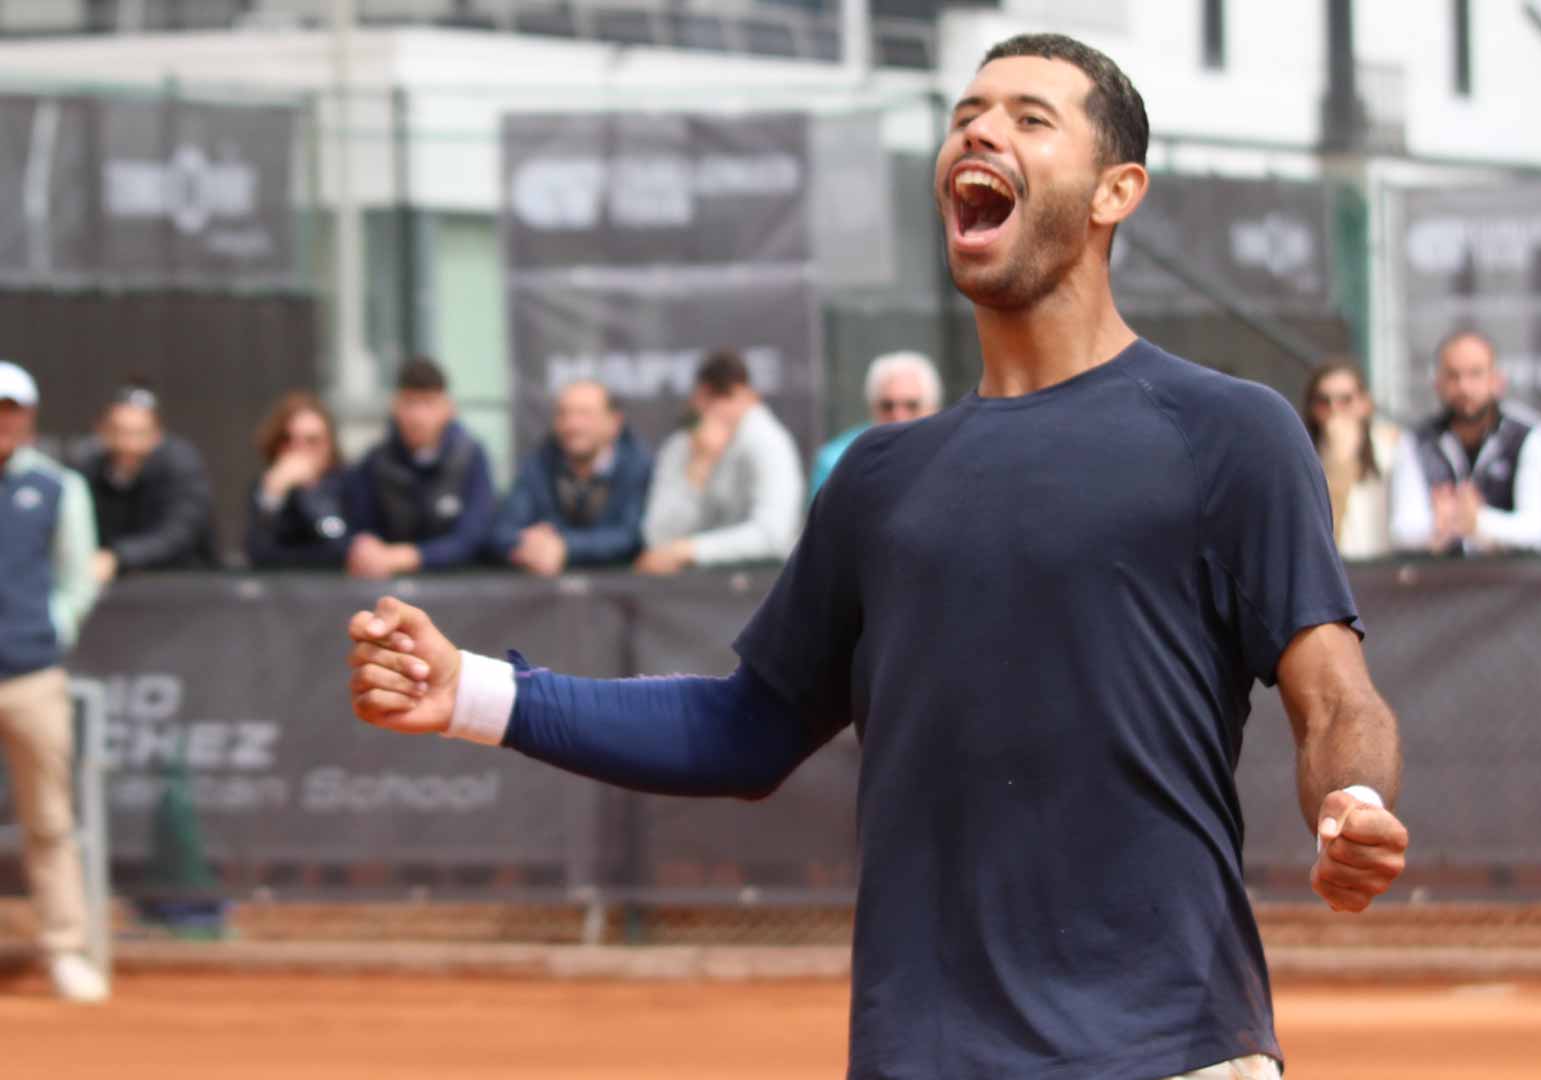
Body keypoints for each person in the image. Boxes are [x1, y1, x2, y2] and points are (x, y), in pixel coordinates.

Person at [348, 33, 1407, 1080]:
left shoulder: (1230, 433)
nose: (981, 131)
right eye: (965, 118)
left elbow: (1336, 701)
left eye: (1030, 118)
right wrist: (472, 693)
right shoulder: (878, 479)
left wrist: (1350, 803)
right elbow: (743, 728)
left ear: (1113, 191)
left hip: (1169, 1050)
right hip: (925, 1055)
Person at [0, 361, 108, 1002]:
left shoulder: (59, 488)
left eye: (10, 409)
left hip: (33, 676)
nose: (1, 420)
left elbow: (77, 577)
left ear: (29, 417)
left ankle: (65, 950)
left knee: (50, 821)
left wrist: (52, 630)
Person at [1388, 331, 1541, 555]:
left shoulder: (1528, 436)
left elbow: (1539, 528)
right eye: (1453, 376)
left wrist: (1479, 522)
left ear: (1497, 381)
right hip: (1438, 582)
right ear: (1438, 383)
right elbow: (1402, 529)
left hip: (1516, 582)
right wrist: (1439, 526)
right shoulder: (1417, 441)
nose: (1464, 387)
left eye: (1475, 374)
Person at [636, 350, 804, 575]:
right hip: (686, 591)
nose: (717, 410)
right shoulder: (681, 446)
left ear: (749, 398)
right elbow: (658, 538)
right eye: (709, 399)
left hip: (763, 587)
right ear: (697, 399)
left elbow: (775, 535)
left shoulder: (770, 441)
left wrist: (691, 550)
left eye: (726, 397)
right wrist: (700, 466)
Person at [342, 358, 497, 579]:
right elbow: (359, 526)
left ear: (448, 408)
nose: (418, 416)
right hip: (389, 589)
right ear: (395, 406)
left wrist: (402, 557)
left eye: (428, 402)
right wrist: (367, 548)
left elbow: (472, 537)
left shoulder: (470, 457)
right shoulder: (376, 462)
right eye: (410, 402)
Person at [491, 380, 653, 575]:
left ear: (614, 422)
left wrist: (566, 548)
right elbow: (502, 530)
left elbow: (633, 536)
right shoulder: (538, 463)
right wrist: (528, 544)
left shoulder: (638, 466)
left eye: (585, 414)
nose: (572, 424)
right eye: (563, 413)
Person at [74, 382, 217, 583]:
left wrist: (118, 557)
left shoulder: (181, 467)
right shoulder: (87, 468)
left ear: (157, 434)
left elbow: (179, 534)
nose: (128, 444)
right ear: (102, 430)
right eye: (119, 431)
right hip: (109, 587)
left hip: (182, 583)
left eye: (139, 433)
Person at [1302, 359, 1400, 560]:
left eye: (1346, 400)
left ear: (1365, 404)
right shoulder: (1303, 459)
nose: (1334, 409)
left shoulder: (1391, 449)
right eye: (1323, 401)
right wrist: (1337, 466)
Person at [810, 351, 944, 497]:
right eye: (887, 406)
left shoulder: (952, 457)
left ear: (933, 409)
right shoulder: (837, 461)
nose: (899, 416)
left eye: (911, 406)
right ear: (873, 408)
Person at [245, 391, 353, 569]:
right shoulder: (267, 487)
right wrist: (272, 497)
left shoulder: (348, 484)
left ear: (329, 446)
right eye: (288, 440)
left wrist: (311, 493)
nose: (299, 450)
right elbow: (257, 554)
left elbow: (340, 548)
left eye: (312, 441)